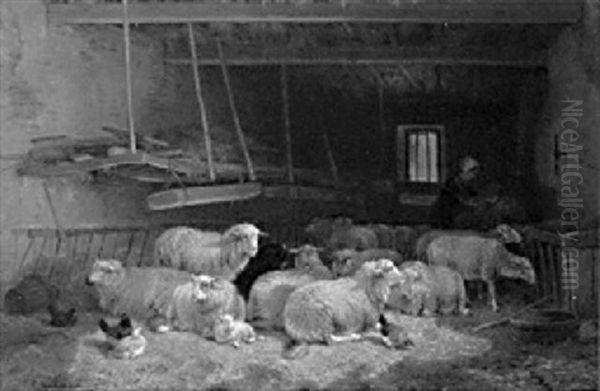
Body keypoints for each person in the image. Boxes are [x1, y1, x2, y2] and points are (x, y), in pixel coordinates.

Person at [430, 156, 485, 229]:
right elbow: (454, 203)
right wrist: (470, 204)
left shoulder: (468, 186)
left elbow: (474, 198)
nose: (473, 176)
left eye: (475, 174)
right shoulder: (451, 185)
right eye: (472, 173)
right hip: (449, 218)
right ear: (464, 172)